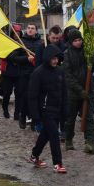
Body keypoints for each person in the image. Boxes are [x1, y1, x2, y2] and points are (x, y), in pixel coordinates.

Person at [27, 44, 67, 173]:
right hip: (45, 110)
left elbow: (64, 92)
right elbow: (32, 95)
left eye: (57, 58)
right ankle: (58, 163)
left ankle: (34, 155)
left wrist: (65, 109)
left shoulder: (60, 71)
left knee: (46, 134)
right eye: (53, 58)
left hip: (57, 108)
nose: (55, 61)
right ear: (48, 58)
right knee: (54, 135)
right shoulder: (38, 73)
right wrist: (35, 115)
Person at [63, 29, 94, 154]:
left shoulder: (87, 51)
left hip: (88, 90)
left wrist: (93, 58)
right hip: (74, 92)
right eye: (75, 40)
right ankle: (69, 140)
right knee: (70, 118)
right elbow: (68, 76)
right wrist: (80, 90)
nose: (78, 42)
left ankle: (90, 142)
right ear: (71, 42)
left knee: (89, 117)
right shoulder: (67, 54)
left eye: (79, 40)